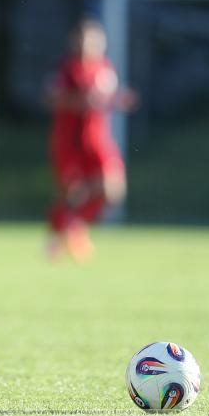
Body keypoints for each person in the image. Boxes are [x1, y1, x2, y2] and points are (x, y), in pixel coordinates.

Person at [44, 18, 136, 262]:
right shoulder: (67, 69)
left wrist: (118, 100)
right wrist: (80, 101)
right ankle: (60, 233)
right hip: (70, 141)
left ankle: (70, 227)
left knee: (113, 189)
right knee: (72, 193)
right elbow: (52, 99)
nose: (89, 45)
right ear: (75, 42)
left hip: (97, 140)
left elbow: (103, 99)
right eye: (84, 39)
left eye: (94, 40)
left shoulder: (105, 68)